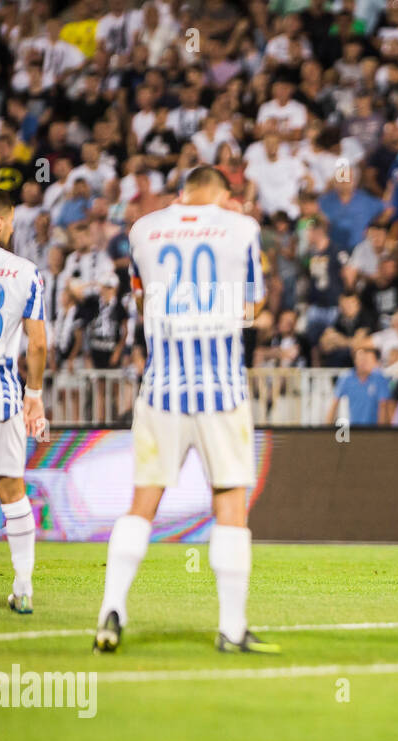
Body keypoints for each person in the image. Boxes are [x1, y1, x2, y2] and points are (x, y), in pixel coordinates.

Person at [95, 166, 275, 654]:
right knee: (230, 503)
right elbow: (252, 308)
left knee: (142, 503)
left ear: (182, 193)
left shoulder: (143, 229)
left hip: (161, 388)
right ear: (224, 195)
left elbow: (138, 298)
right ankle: (232, 628)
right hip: (221, 389)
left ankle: (111, 610)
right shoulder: (241, 229)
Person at [0, 188, 48, 615]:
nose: (12, 229)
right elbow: (39, 343)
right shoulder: (26, 272)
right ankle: (23, 587)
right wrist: (34, 396)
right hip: (3, 394)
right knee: (12, 490)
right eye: (11, 222)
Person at [329, 345, 393, 426]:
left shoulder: (379, 378)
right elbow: (334, 403)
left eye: (366, 360)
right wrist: (327, 429)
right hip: (354, 427)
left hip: (374, 428)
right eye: (360, 359)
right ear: (355, 360)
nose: (363, 363)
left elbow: (383, 405)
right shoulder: (346, 378)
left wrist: (380, 431)